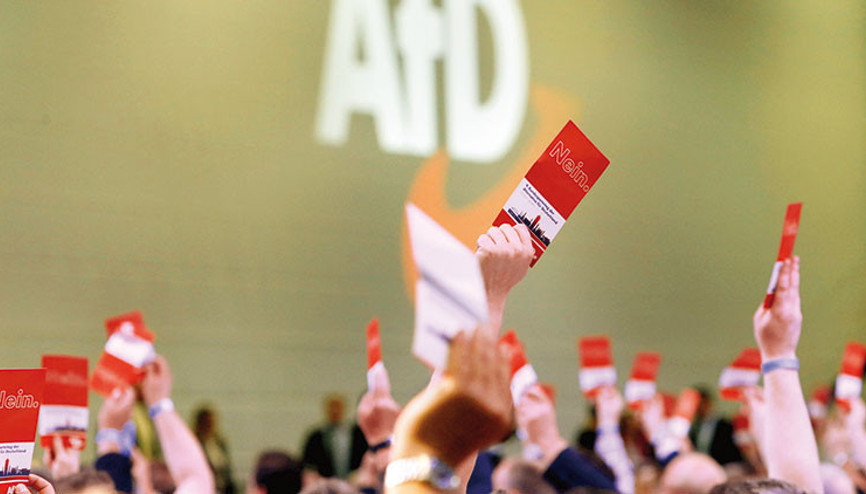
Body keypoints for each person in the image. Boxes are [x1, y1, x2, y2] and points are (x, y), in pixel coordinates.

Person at [301, 394, 368, 479]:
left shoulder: (358, 435)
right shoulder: (315, 437)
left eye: (338, 407)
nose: (335, 411)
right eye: (332, 408)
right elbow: (308, 464)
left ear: (344, 408)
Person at [193, 405, 237, 493]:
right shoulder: (195, 445)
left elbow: (227, 469)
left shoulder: (219, 443)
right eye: (206, 423)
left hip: (222, 487)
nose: (209, 426)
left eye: (211, 423)